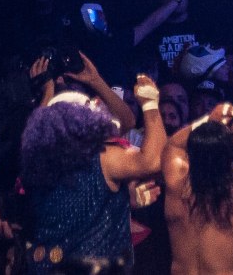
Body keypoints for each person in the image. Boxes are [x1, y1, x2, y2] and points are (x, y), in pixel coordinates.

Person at [20, 74, 166, 273]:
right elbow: (154, 162)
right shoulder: (103, 156)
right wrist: (150, 105)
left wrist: (123, 201)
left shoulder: (37, 165)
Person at [162, 105, 233, 275]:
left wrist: (210, 119)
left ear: (190, 157)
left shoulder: (177, 189)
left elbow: (173, 146)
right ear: (232, 157)